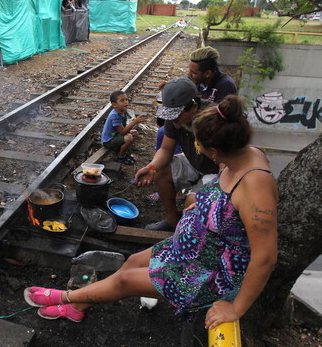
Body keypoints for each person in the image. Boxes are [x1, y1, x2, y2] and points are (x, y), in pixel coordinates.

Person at [24, 95, 278, 329]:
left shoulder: (256, 185)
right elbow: (225, 201)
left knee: (126, 282)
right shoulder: (241, 154)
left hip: (209, 272)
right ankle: (77, 308)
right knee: (133, 261)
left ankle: (66, 297)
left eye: (198, 145)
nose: (196, 149)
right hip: (192, 249)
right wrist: (201, 204)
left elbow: (265, 257)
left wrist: (236, 308)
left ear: (214, 151)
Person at [136, 78, 219, 231]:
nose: (174, 121)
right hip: (194, 161)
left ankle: (189, 233)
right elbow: (166, 149)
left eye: (177, 116)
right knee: (161, 171)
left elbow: (228, 163)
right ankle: (172, 220)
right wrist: (152, 167)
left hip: (218, 169)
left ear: (194, 107)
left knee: (192, 202)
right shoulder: (174, 119)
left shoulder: (212, 119)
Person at [159, 46, 237, 104]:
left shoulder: (226, 85)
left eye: (193, 72)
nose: (189, 75)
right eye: (189, 71)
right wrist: (171, 88)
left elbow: (222, 116)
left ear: (207, 73)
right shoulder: (195, 81)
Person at [101, 90, 148, 165]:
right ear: (114, 104)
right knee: (129, 137)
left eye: (126, 99)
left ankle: (124, 152)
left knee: (135, 133)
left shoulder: (122, 112)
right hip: (108, 141)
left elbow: (123, 129)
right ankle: (121, 157)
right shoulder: (114, 115)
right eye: (122, 100)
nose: (126, 102)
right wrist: (134, 122)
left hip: (115, 135)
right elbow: (123, 132)